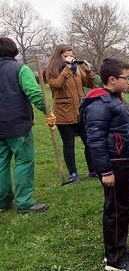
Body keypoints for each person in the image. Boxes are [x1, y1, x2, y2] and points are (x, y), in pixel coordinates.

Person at [80, 58, 129, 271]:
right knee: (115, 209)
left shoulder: (115, 99)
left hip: (122, 161)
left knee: (122, 207)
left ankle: (120, 247)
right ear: (112, 79)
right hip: (113, 165)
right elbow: (94, 140)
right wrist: (105, 171)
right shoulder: (100, 104)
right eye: (126, 78)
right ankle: (114, 259)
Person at [0, 37, 54, 214]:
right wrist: (48, 112)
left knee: (1, 164)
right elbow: (35, 92)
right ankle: (24, 202)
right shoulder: (20, 69)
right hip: (18, 125)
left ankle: (3, 201)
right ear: (13, 50)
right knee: (23, 161)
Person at [45, 44, 96, 183]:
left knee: (89, 142)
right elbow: (56, 84)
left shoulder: (76, 69)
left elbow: (90, 84)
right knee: (69, 145)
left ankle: (93, 170)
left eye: (71, 54)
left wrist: (89, 71)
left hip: (81, 110)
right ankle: (73, 174)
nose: (69, 57)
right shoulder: (51, 69)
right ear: (59, 55)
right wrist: (67, 69)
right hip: (64, 112)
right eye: (66, 55)